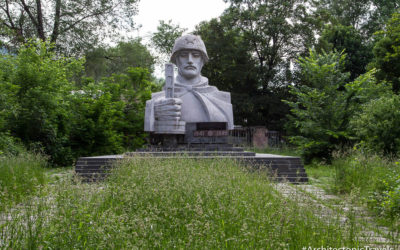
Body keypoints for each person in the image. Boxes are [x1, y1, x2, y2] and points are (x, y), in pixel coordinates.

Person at [144, 34, 234, 133]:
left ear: (202, 61)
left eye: (195, 55)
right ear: (176, 60)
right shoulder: (159, 101)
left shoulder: (221, 98)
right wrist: (154, 111)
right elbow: (150, 117)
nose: (190, 60)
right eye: (183, 55)